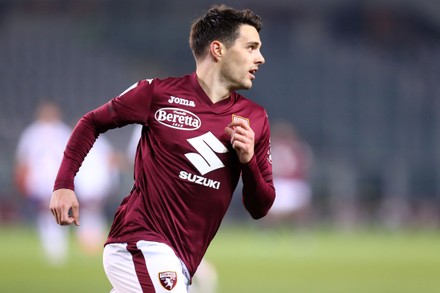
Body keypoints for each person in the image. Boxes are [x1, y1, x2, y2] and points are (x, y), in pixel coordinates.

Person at [50, 4, 275, 293]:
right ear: (218, 50)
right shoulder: (157, 93)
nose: (261, 58)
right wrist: (64, 184)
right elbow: (92, 122)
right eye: (251, 47)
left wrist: (248, 161)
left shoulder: (255, 118)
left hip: (182, 259)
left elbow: (261, 207)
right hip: (140, 242)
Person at [15, 101, 72, 266]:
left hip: (58, 179)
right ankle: (51, 246)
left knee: (57, 211)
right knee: (45, 212)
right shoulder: (32, 133)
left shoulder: (62, 132)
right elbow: (24, 159)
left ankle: (57, 246)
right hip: (40, 179)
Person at [267, 122, 313, 227]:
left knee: (300, 209)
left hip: (292, 183)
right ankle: (272, 230)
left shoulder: (296, 149)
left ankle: (300, 228)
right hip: (281, 183)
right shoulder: (298, 149)